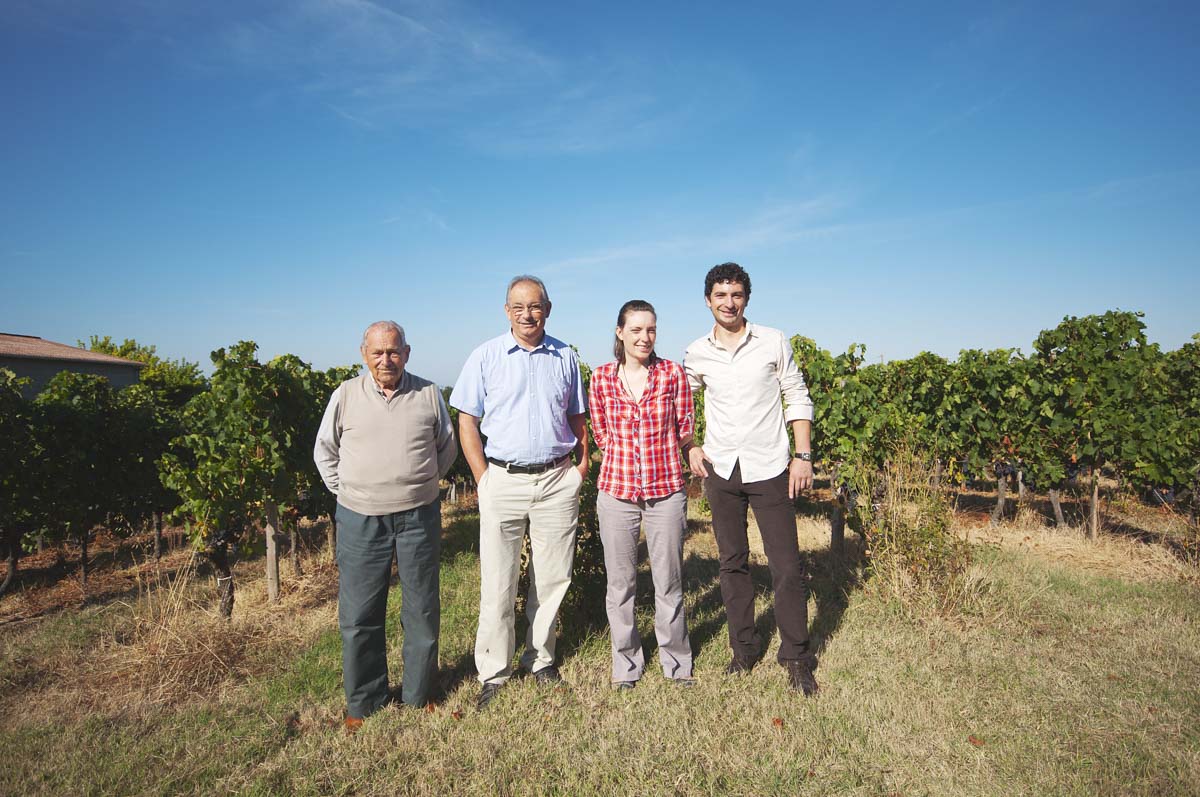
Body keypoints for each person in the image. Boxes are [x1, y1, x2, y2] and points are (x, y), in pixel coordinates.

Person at [449, 275, 589, 710]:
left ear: (549, 308)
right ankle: (494, 671)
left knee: (552, 578)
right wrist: (482, 476)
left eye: (535, 306)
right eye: (518, 307)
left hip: (555, 481)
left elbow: (577, 417)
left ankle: (541, 659)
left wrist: (579, 470)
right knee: (498, 580)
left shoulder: (565, 356)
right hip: (503, 481)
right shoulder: (485, 356)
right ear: (506, 310)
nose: (527, 314)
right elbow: (467, 420)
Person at [314, 321, 457, 733]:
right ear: (364, 355)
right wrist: (354, 492)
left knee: (422, 608)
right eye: (377, 353)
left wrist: (421, 485)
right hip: (360, 518)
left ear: (407, 353)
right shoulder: (345, 395)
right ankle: (364, 702)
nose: (386, 360)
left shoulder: (429, 393)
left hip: (418, 517)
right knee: (360, 613)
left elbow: (445, 449)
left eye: (393, 352)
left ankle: (418, 694)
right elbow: (325, 452)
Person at [682, 263, 819, 695]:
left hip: (770, 466)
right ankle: (743, 651)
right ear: (708, 300)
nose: (729, 302)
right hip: (721, 469)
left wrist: (803, 457)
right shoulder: (696, 352)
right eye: (720, 295)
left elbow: (796, 395)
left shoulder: (773, 341)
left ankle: (796, 656)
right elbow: (682, 405)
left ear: (746, 298)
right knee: (732, 564)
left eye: (736, 294)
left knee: (786, 565)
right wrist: (690, 444)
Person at [590, 300, 696, 690]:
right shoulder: (601, 378)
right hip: (617, 493)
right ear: (620, 332)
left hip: (666, 490)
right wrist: (625, 459)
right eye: (635, 330)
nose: (644, 337)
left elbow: (685, 425)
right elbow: (600, 432)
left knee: (668, 580)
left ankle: (677, 662)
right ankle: (626, 665)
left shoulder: (671, 374)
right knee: (620, 585)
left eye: (650, 330)